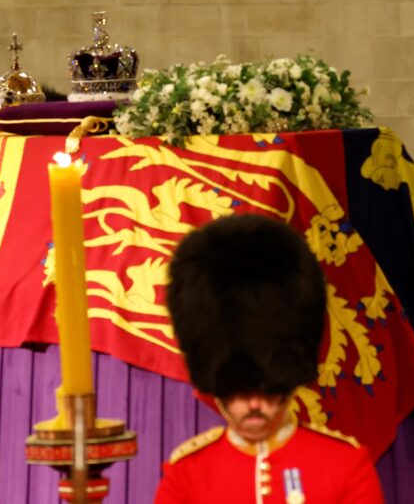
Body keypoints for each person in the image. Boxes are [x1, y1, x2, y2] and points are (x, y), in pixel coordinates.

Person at [153, 214, 384, 503]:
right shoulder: (186, 474)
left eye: (268, 389)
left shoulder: (346, 466)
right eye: (239, 389)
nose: (254, 404)